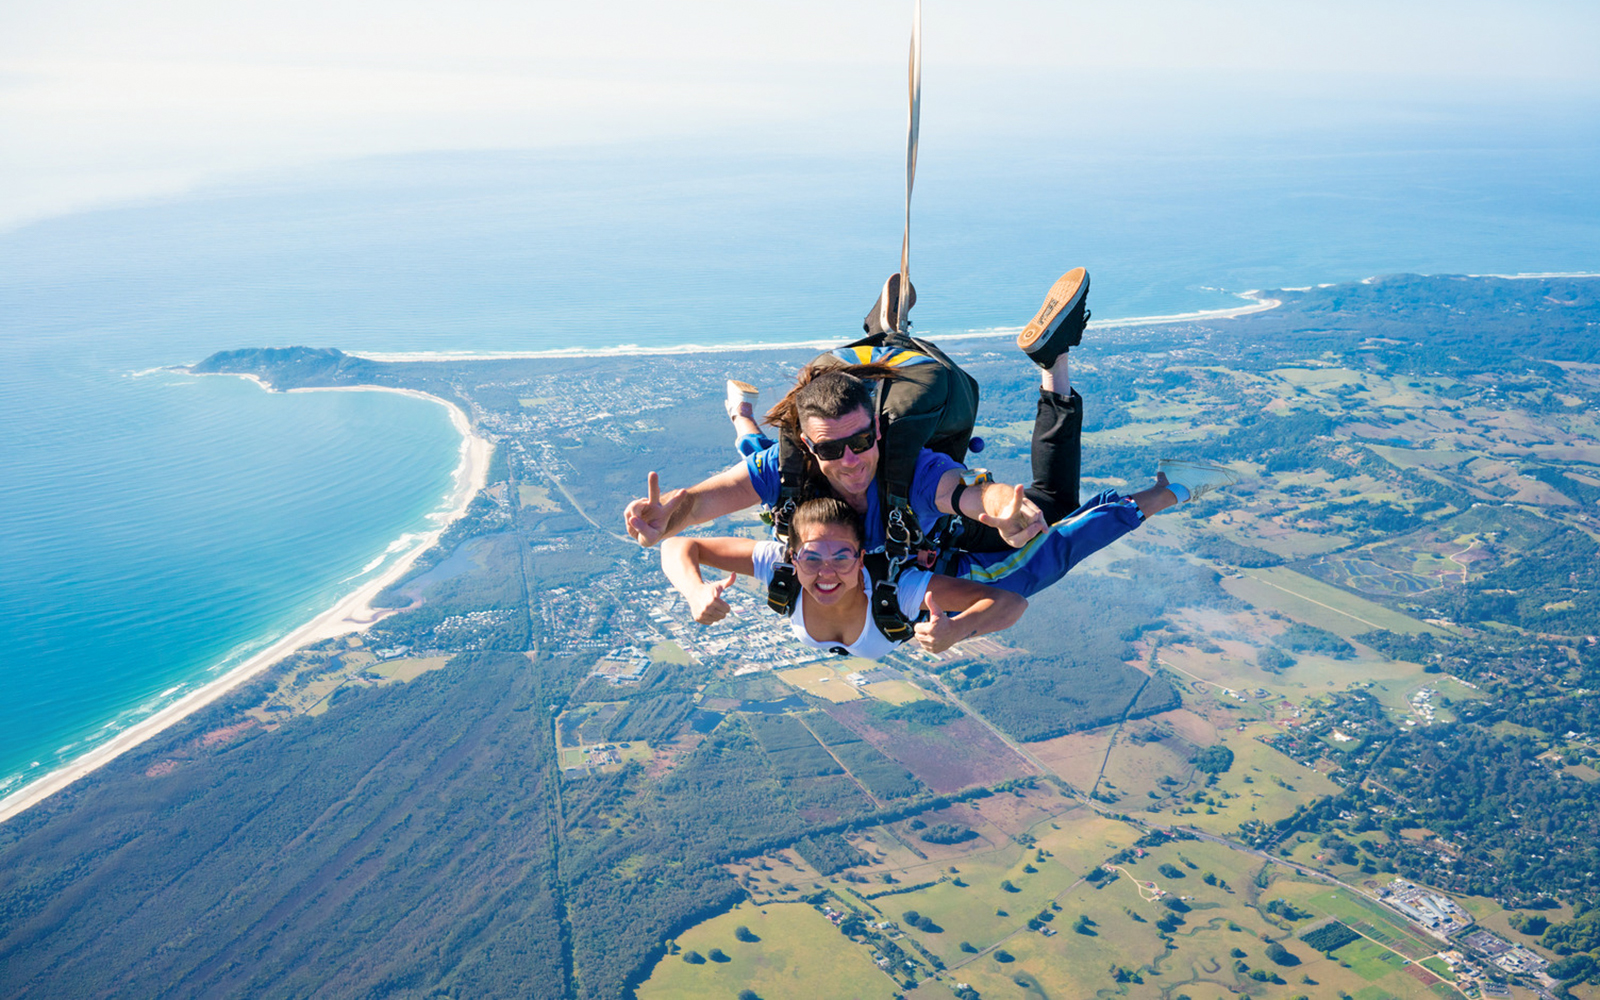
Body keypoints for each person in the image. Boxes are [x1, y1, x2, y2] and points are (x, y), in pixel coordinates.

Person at [665, 267, 1240, 650]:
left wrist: (998, 510)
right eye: (831, 449)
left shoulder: (857, 516)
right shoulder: (797, 483)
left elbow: (960, 494)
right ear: (812, 447)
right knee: (759, 446)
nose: (829, 571)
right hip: (923, 533)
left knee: (1051, 530)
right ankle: (883, 335)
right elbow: (690, 515)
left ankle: (1137, 458)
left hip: (943, 531)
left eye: (862, 442)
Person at [661, 497, 1025, 657]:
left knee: (1055, 523)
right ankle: (742, 414)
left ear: (862, 558)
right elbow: (678, 544)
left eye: (842, 556)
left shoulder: (900, 589)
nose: (827, 572)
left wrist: (960, 629)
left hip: (963, 558)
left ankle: (1053, 379)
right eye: (812, 557)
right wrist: (694, 591)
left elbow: (1011, 603)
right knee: (753, 445)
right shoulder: (780, 566)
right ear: (792, 556)